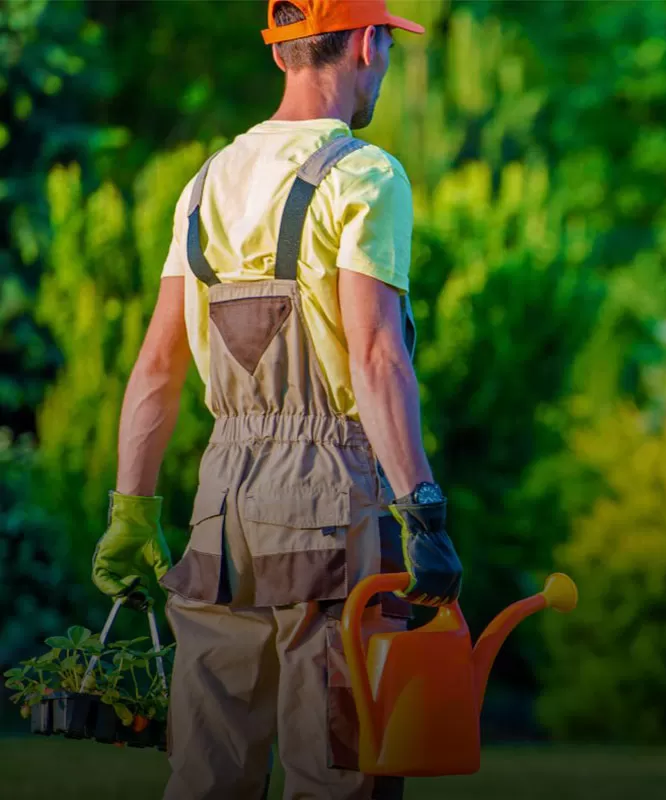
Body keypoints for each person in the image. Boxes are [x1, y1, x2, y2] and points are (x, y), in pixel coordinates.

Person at [88, 1, 462, 797]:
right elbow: (375, 354)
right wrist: (422, 507)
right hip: (333, 500)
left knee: (205, 774)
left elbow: (157, 366)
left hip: (220, 508)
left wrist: (131, 508)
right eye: (388, 46)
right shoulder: (365, 174)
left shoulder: (204, 183)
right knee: (337, 770)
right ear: (368, 43)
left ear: (281, 54)